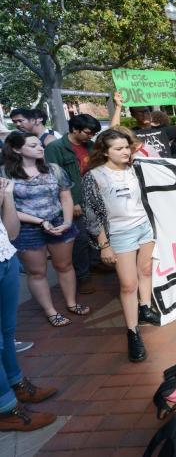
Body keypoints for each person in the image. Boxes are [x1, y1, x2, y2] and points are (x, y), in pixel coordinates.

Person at [83, 129, 159, 361]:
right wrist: (104, 244)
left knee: (145, 270)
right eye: (118, 148)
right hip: (119, 234)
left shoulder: (136, 168)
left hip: (144, 227)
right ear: (105, 152)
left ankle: (145, 308)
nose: (125, 151)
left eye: (127, 147)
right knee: (128, 284)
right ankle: (132, 332)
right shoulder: (94, 176)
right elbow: (91, 214)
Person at [2, 132, 87, 327]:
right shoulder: (6, 174)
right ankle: (50, 311)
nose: (40, 148)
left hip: (58, 222)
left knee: (65, 266)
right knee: (37, 272)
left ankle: (71, 303)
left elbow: (65, 196)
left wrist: (66, 222)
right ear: (16, 149)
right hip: (26, 228)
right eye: (33, 146)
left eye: (39, 144)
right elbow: (9, 209)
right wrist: (40, 222)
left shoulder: (53, 169)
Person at [0, 176, 59, 432]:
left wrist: (7, 197)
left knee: (7, 331)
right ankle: (6, 409)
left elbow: (11, 231)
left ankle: (16, 384)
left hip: (5, 258)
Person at [44, 114, 101, 295]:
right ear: (75, 129)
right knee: (80, 239)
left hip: (93, 196)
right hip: (72, 200)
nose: (90, 136)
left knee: (96, 232)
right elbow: (55, 178)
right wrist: (73, 202)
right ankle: (83, 276)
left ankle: (95, 264)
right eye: (87, 132)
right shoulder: (56, 148)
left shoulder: (91, 145)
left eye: (93, 133)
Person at [109, 93, 176, 157]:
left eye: (146, 111)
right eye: (140, 112)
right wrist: (118, 107)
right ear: (133, 115)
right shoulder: (131, 133)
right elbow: (113, 132)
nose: (144, 114)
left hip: (164, 171)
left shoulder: (163, 130)